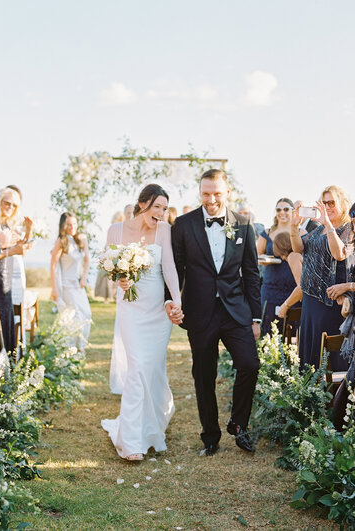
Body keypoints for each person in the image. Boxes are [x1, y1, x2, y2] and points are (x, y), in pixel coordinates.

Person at [169, 169, 261, 455]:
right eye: (206, 193)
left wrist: (256, 317)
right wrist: (171, 301)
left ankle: (239, 424)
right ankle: (210, 436)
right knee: (203, 375)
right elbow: (175, 270)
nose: (211, 199)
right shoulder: (183, 225)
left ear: (228, 192)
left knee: (249, 364)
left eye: (217, 193)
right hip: (200, 313)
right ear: (199, 192)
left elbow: (251, 273)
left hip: (235, 312)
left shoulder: (244, 224)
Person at [101, 184, 181, 461]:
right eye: (156, 206)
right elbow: (107, 265)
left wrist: (177, 301)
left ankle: (154, 423)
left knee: (153, 368)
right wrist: (120, 278)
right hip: (131, 310)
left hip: (157, 311)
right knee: (136, 368)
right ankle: (132, 441)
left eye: (164, 208)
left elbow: (168, 267)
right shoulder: (116, 231)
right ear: (142, 204)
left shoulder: (164, 230)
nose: (160, 213)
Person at [291, 185, 351, 371]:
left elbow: (339, 254)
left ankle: (332, 395)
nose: (327, 206)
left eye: (331, 202)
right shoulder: (318, 230)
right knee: (310, 345)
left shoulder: (347, 228)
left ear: (342, 204)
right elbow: (298, 248)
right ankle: (309, 393)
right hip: (311, 297)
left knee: (327, 351)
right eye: (324, 203)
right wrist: (294, 226)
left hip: (330, 299)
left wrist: (329, 224)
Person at [326, 198, 355, 429]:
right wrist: (346, 297)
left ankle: (344, 434)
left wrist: (346, 287)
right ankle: (345, 434)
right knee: (352, 384)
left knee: (352, 384)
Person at [0, 187, 30, 353]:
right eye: (6, 203)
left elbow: (16, 247)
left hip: (6, 280)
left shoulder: (7, 225)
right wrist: (13, 251)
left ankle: (8, 367)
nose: (10, 207)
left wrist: (29, 231)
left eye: (14, 205)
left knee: (6, 320)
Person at [256, 198, 299, 335]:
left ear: (292, 211)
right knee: (269, 327)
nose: (282, 212)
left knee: (292, 327)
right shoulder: (267, 233)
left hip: (294, 288)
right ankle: (270, 356)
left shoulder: (300, 232)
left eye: (286, 209)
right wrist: (263, 260)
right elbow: (256, 255)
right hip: (271, 287)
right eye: (279, 209)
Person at [50, 212, 92, 351]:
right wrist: (54, 288)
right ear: (63, 225)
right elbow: (53, 265)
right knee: (75, 317)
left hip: (78, 284)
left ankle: (81, 346)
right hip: (66, 285)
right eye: (69, 224)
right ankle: (72, 349)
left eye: (74, 224)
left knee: (87, 313)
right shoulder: (61, 242)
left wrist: (84, 277)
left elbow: (87, 260)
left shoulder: (80, 240)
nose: (72, 227)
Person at [94, 212, 124, 303]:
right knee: (107, 277)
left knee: (116, 276)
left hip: (118, 252)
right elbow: (110, 243)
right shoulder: (113, 229)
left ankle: (115, 297)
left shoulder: (122, 229)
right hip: (111, 251)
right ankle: (107, 298)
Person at [273, 232, 303, 319]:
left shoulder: (292, 257)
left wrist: (285, 306)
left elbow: (302, 287)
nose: (282, 258)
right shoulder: (299, 254)